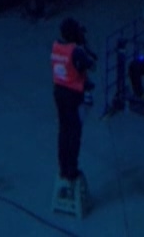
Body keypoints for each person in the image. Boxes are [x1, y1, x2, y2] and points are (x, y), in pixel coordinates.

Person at [51, 18, 95, 185]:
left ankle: (63, 167)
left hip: (59, 91)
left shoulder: (56, 46)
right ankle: (72, 168)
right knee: (74, 132)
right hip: (73, 94)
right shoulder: (76, 51)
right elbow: (91, 65)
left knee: (63, 131)